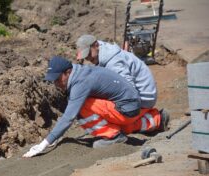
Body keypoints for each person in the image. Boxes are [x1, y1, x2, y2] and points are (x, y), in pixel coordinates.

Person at [23, 56, 168, 158]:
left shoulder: (81, 82)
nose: (56, 84)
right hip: (130, 107)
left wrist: (44, 143)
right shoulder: (81, 72)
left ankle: (113, 137)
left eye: (57, 79)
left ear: (67, 72)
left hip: (127, 108)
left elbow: (68, 117)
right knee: (115, 123)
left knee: (81, 107)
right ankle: (155, 120)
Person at [76, 34, 157, 108]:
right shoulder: (104, 53)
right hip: (142, 95)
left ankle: (150, 119)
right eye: (85, 56)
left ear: (96, 45)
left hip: (144, 99)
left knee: (95, 105)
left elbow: (129, 91)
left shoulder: (113, 63)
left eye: (89, 54)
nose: (88, 58)